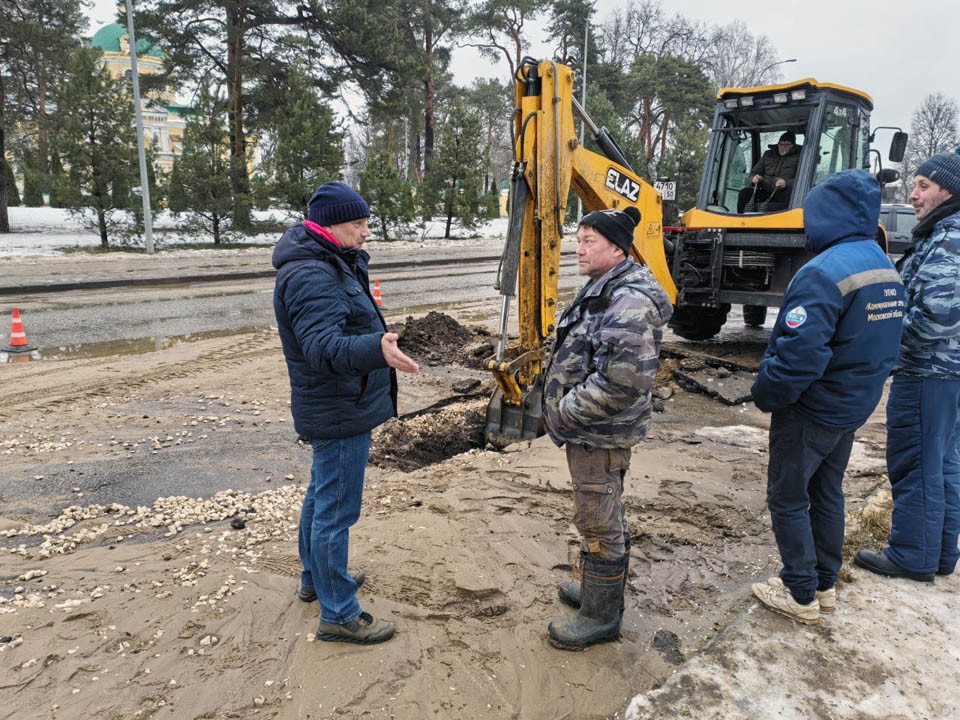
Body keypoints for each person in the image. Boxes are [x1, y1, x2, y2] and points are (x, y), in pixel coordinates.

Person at [750, 169, 905, 624]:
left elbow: (799, 357)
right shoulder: (882, 265)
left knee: (788, 496)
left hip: (811, 409)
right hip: (852, 405)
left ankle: (799, 594)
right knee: (827, 491)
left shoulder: (822, 273)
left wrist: (766, 393)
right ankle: (825, 583)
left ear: (826, 214)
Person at [272, 181, 420, 644]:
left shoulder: (333, 260)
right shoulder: (313, 274)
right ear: (329, 225)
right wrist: (376, 347)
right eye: (358, 223)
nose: (367, 231)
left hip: (342, 401)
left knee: (322, 496)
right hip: (339, 406)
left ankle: (316, 580)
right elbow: (321, 347)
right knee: (336, 510)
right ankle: (338, 613)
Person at [541, 206, 673, 650]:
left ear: (617, 248)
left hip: (599, 431)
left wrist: (564, 412)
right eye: (578, 240)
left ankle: (600, 617)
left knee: (597, 518)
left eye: (589, 242)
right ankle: (597, 588)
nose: (578, 249)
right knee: (600, 509)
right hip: (593, 430)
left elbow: (623, 380)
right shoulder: (605, 286)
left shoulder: (628, 301)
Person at [855, 148, 960, 582]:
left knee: (916, 462)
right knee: (943, 462)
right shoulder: (943, 231)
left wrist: (888, 344)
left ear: (948, 191)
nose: (913, 195)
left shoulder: (949, 236)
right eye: (914, 185)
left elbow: (939, 312)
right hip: (945, 374)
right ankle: (939, 552)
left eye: (923, 186)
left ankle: (911, 555)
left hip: (927, 370)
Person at [737, 131, 802, 213]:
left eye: (787, 145)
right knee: (744, 193)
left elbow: (803, 180)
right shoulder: (768, 155)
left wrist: (786, 183)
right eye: (781, 144)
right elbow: (754, 173)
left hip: (783, 195)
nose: (783, 148)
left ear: (793, 146)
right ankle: (740, 222)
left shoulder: (800, 157)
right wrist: (755, 178)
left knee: (788, 196)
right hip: (766, 191)